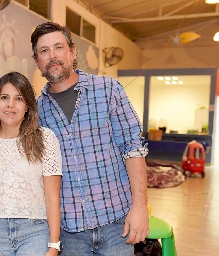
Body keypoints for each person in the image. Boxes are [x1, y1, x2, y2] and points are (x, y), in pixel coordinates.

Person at [31, 21, 149, 255]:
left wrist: (140, 207)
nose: (52, 56)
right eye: (44, 51)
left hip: (117, 226)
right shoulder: (36, 111)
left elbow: (133, 148)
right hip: (69, 233)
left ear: (72, 52)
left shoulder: (109, 90)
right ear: (37, 61)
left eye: (58, 47)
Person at [0, 71, 63, 255]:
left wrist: (54, 245)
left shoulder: (45, 139)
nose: (10, 104)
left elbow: (52, 198)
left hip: (34, 232)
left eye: (18, 98)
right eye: (4, 97)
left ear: (27, 105)